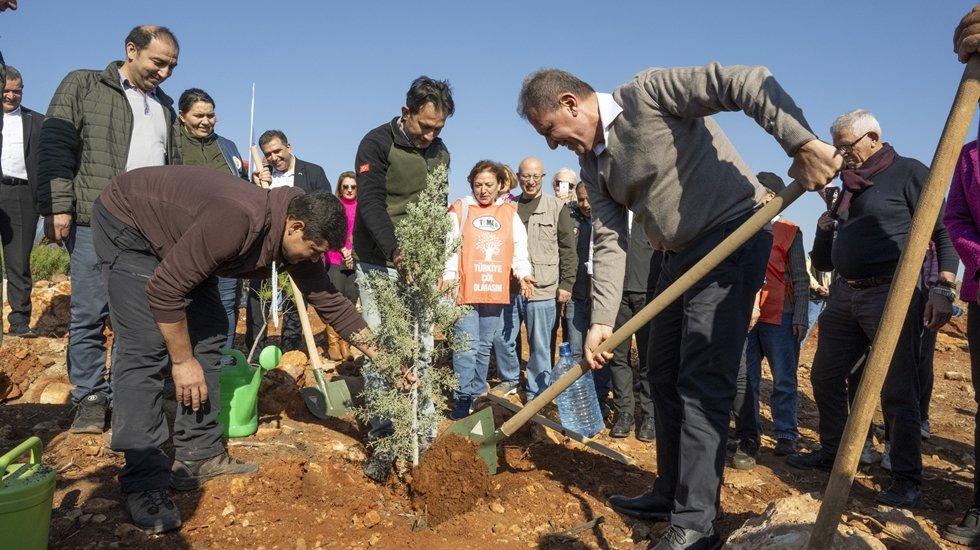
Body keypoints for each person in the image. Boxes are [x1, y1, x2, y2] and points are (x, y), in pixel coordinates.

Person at [517, 65, 839, 549]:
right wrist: (602, 320)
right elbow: (608, 241)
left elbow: (745, 82)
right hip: (675, 258)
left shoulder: (646, 94)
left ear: (569, 103)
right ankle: (669, 493)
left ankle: (697, 521)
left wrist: (801, 143)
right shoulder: (594, 165)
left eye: (549, 131)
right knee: (661, 373)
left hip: (732, 238)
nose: (550, 144)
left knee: (702, 381)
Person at [91, 164, 374, 533]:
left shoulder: (294, 239)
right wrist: (182, 361)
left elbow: (330, 301)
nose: (312, 258)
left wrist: (383, 356)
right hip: (131, 223)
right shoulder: (237, 220)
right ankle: (144, 481)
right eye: (313, 250)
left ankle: (199, 452)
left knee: (210, 332)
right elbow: (164, 289)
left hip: (183, 235)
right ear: (296, 227)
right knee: (145, 347)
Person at [787, 110, 957, 510]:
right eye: (838, 147)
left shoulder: (911, 173)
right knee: (826, 375)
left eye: (848, 145)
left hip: (892, 294)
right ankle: (835, 452)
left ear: (873, 138)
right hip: (845, 295)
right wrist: (824, 228)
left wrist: (944, 288)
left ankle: (905, 477)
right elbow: (825, 263)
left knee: (898, 388)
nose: (842, 154)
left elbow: (943, 231)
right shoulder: (844, 187)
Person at [37, 25, 181, 434]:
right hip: (93, 219)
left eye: (172, 65)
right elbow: (55, 145)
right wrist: (58, 206)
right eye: (158, 62)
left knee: (136, 317)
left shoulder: (165, 106)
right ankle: (89, 397)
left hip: (147, 230)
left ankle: (127, 397)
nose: (165, 73)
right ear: (131, 50)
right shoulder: (84, 85)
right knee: (89, 311)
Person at [353, 75, 453, 482]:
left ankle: (422, 437)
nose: (430, 135)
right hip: (378, 261)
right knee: (383, 349)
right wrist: (397, 252)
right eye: (424, 126)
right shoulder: (376, 143)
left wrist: (431, 261)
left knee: (421, 348)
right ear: (406, 112)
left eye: (438, 129)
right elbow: (371, 202)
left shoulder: (441, 153)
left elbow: (437, 206)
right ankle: (382, 438)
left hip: (421, 266)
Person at [443, 160, 534, 419]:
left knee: (484, 346)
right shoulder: (460, 210)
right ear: (471, 183)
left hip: (494, 288)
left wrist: (524, 273)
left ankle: (476, 392)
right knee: (465, 345)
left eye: (489, 185)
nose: (483, 190)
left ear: (499, 186)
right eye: (478, 184)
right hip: (465, 290)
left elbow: (518, 248)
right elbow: (449, 248)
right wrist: (449, 276)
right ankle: (462, 396)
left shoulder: (508, 213)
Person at [730, 172, 809, 470]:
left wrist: (800, 314)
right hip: (748, 317)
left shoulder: (790, 232)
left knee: (784, 378)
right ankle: (750, 433)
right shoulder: (744, 228)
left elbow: (800, 277)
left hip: (781, 315)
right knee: (746, 378)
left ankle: (786, 433)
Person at [494, 156, 577, 402]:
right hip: (510, 286)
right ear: (518, 179)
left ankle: (536, 390)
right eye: (525, 177)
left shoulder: (556, 207)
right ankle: (510, 378)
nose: (530, 181)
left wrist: (566, 284)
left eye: (535, 176)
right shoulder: (508, 206)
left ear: (542, 177)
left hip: (543, 287)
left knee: (540, 343)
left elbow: (568, 249)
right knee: (503, 337)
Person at [175, 88, 248, 359]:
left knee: (226, 303)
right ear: (182, 116)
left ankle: (221, 363)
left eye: (211, 115)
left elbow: (241, 187)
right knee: (183, 301)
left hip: (226, 242)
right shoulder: (172, 143)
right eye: (199, 115)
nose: (206, 121)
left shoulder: (227, 146)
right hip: (184, 240)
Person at [244, 129, 331, 354]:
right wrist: (255, 187)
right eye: (269, 154)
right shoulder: (261, 177)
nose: (274, 157)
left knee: (295, 303)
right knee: (258, 302)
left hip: (298, 251)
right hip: (265, 251)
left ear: (288, 147)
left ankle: (290, 352)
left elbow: (325, 210)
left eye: (277, 151)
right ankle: (255, 353)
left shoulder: (313, 172)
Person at [604, 215, 662, 441]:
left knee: (649, 359)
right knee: (618, 357)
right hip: (616, 296)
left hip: (649, 295)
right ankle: (625, 413)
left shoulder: (652, 214)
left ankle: (650, 416)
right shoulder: (612, 215)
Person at [2, 65, 41, 339]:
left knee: (18, 261)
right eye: (6, 90)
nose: (12, 96)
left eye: (17, 91)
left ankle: (19, 322)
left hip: (23, 195)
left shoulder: (39, 121)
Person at [324, 170, 359, 361]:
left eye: (353, 186)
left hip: (355, 262)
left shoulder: (362, 208)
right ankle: (333, 343)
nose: (349, 190)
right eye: (345, 186)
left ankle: (346, 343)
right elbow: (327, 231)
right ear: (340, 187)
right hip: (334, 259)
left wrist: (352, 251)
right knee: (334, 300)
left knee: (351, 302)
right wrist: (342, 248)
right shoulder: (334, 207)